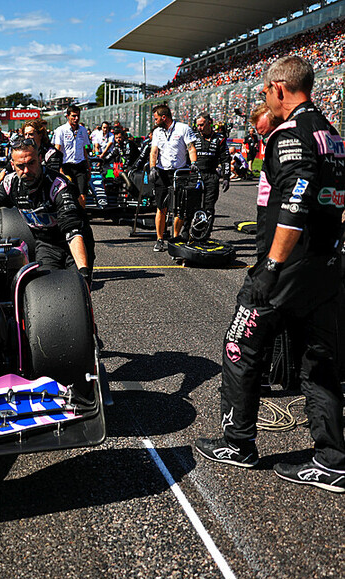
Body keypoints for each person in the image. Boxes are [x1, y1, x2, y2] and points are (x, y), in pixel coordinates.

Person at [194, 56, 345, 493]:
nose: (264, 97)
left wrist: (272, 266)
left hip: (288, 268)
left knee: (239, 344)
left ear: (279, 87)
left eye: (264, 91)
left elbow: (296, 203)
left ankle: (237, 443)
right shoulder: (332, 134)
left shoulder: (291, 133)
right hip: (325, 265)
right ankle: (332, 460)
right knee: (319, 361)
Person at [0, 138, 91, 284]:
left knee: (78, 285)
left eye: (31, 163)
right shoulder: (11, 183)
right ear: (13, 165)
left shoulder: (58, 186)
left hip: (76, 241)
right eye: (20, 166)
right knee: (48, 287)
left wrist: (83, 271)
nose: (26, 171)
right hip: (46, 244)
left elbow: (73, 232)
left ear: (40, 159)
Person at [148, 104, 197, 251]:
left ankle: (175, 237)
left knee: (179, 208)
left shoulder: (183, 128)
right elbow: (154, 151)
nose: (155, 121)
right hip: (162, 172)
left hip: (179, 172)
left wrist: (193, 163)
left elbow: (191, 148)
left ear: (164, 117)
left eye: (156, 118)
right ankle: (159, 239)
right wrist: (152, 167)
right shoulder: (157, 132)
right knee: (161, 207)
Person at [191, 112, 231, 238]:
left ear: (209, 123)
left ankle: (205, 235)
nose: (199, 128)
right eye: (197, 125)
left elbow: (225, 159)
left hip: (211, 176)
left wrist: (226, 178)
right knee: (192, 205)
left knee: (209, 206)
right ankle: (188, 233)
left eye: (202, 125)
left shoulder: (220, 139)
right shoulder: (193, 137)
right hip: (195, 176)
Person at [52, 105, 91, 208]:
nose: (76, 118)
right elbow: (57, 150)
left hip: (80, 165)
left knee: (82, 195)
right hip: (66, 166)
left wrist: (88, 167)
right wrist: (59, 169)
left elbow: (84, 149)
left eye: (78, 116)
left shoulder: (83, 130)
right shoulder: (61, 130)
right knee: (69, 194)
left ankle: (82, 214)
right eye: (73, 116)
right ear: (68, 116)